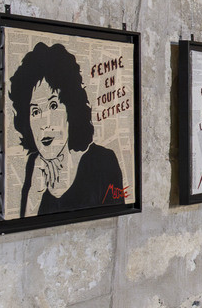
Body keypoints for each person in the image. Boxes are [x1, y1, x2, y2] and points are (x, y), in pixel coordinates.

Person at [8, 41, 126, 216]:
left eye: (54, 105)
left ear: (71, 107)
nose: (45, 123)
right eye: (35, 111)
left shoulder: (103, 162)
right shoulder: (32, 167)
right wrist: (33, 193)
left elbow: (116, 218)